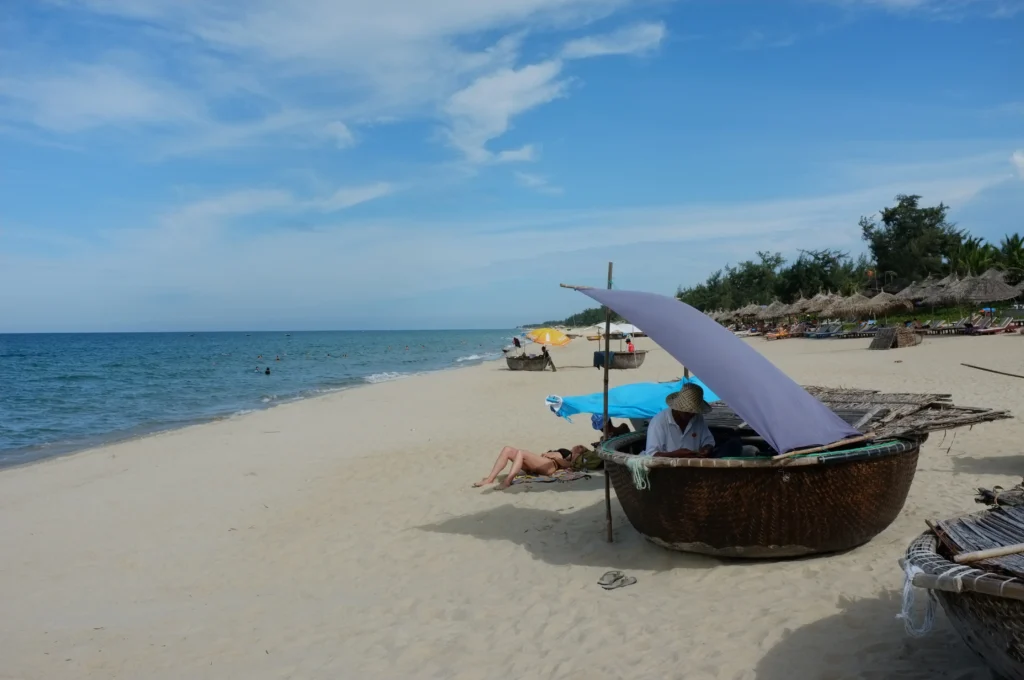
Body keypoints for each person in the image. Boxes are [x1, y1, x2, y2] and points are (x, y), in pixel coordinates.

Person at [642, 383, 715, 458]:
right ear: (677, 408)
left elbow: (708, 441)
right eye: (687, 411)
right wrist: (674, 455)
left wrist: (707, 449)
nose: (691, 414)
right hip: (665, 468)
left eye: (694, 412)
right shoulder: (659, 421)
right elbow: (651, 455)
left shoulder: (698, 418)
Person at [474, 445, 588, 489]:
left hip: (550, 466)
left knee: (522, 452)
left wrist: (554, 457)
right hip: (539, 463)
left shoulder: (569, 454)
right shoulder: (566, 451)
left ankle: (508, 481)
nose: (578, 447)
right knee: (507, 449)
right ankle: (490, 479)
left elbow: (567, 465)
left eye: (581, 448)